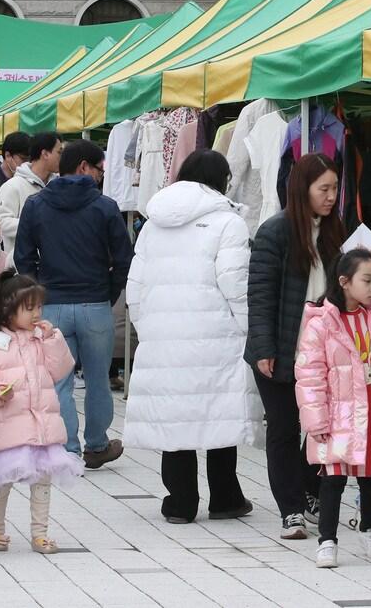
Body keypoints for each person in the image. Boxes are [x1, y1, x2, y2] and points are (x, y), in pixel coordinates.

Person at [125, 150, 257, 524]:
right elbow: (236, 285)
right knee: (219, 413)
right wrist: (248, 330)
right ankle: (226, 498)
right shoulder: (228, 222)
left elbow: (135, 286)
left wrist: (146, 327)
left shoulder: (153, 223)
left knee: (174, 416)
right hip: (215, 332)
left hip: (162, 333)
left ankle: (180, 502)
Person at [296, 249, 371, 569]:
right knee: (333, 477)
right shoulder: (322, 322)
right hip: (338, 416)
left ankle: (370, 528)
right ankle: (327, 540)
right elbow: (309, 374)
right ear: (344, 282)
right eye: (367, 280)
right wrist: (315, 418)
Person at [14, 139, 131, 469]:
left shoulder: (36, 205)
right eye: (98, 169)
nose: (100, 175)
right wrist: (108, 291)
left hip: (52, 305)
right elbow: (124, 258)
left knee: (59, 383)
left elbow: (23, 257)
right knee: (97, 378)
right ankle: (97, 444)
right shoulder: (105, 207)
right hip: (95, 303)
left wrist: (39, 292)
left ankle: (67, 449)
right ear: (84, 167)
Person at [245, 153, 345, 539]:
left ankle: (311, 492)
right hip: (281, 348)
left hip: (324, 351)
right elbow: (260, 296)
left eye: (335, 188)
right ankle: (291, 509)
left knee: (320, 427)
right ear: (302, 189)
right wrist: (265, 348)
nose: (331, 196)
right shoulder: (276, 232)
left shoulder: (337, 231)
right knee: (284, 429)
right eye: (324, 188)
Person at [0, 275, 85, 554]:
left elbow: (61, 368)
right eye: (29, 308)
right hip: (8, 425)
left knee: (43, 479)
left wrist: (53, 338)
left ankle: (40, 533)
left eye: (39, 307)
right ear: (8, 309)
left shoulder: (40, 339)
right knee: (2, 480)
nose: (36, 314)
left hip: (41, 424)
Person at [0, 132, 61, 256]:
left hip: (54, 264)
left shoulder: (58, 185)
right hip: (21, 267)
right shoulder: (12, 186)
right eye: (59, 152)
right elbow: (1, 224)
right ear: (45, 154)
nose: (62, 157)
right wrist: (38, 223)